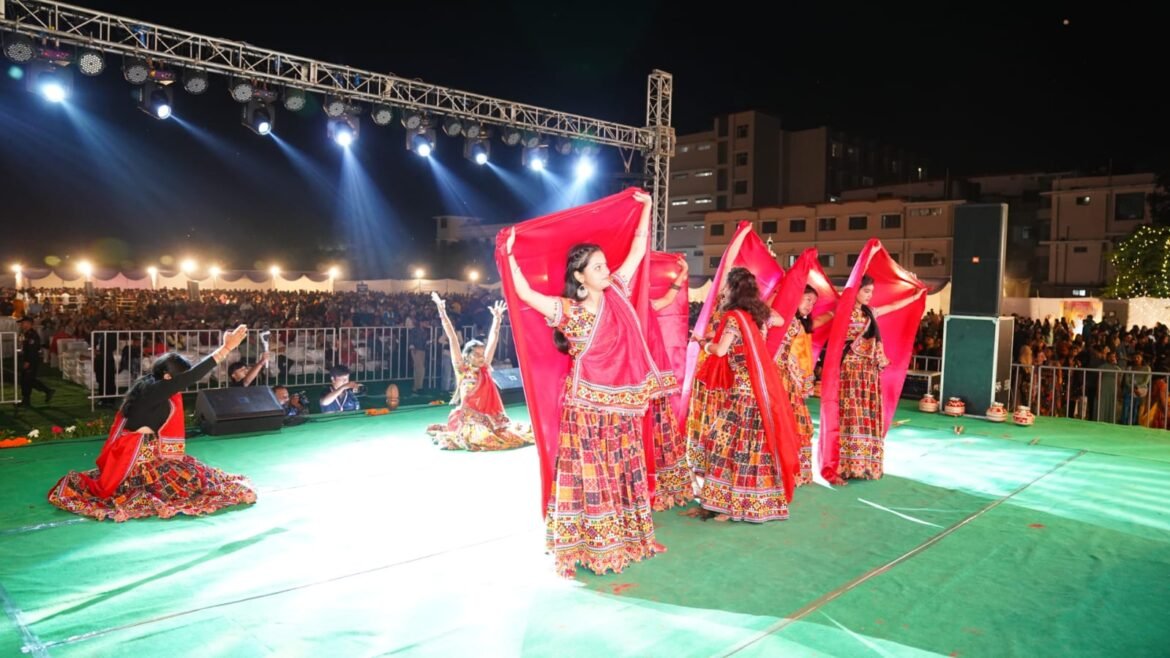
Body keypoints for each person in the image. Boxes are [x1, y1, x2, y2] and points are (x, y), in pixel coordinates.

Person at [506, 191, 673, 578]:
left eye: (605, 264)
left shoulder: (618, 292)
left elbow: (638, 250)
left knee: (622, 470)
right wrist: (509, 254)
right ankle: (593, 546)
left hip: (622, 408)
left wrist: (647, 208)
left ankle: (628, 538)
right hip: (586, 409)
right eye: (597, 267)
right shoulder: (569, 310)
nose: (606, 269)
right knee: (592, 475)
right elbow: (524, 293)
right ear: (580, 277)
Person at [46, 326, 257, 522]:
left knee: (196, 473)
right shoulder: (155, 389)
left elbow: (186, 378)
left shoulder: (153, 385)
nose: (181, 385)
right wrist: (225, 348)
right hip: (138, 457)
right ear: (167, 376)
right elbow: (192, 376)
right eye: (179, 379)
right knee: (188, 484)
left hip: (148, 450)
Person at [689, 268, 799, 522]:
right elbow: (780, 320)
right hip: (761, 392)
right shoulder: (757, 316)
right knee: (750, 447)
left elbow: (720, 351)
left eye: (727, 286)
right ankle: (746, 503)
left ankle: (730, 504)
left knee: (722, 442)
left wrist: (703, 343)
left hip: (743, 394)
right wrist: (760, 304)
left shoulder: (734, 318)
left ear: (732, 289)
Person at [831, 275, 925, 482]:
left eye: (871, 292)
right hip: (850, 371)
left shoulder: (869, 313)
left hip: (869, 372)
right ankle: (846, 464)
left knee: (866, 414)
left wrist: (914, 297)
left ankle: (865, 464)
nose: (869, 295)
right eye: (866, 291)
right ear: (855, 290)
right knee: (852, 414)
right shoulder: (842, 311)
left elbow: (892, 306)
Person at [426, 293, 535, 451]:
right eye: (476, 354)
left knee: (507, 436)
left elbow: (493, 340)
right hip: (469, 420)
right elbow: (452, 338)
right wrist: (442, 311)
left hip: (488, 417)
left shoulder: (485, 367)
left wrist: (497, 320)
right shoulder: (462, 369)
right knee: (484, 438)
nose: (481, 357)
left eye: (482, 354)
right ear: (467, 356)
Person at [774, 286, 833, 486]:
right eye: (807, 299)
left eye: (813, 303)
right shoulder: (784, 320)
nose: (810, 305)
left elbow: (819, 320)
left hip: (793, 384)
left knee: (798, 425)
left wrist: (836, 311)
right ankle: (784, 471)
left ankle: (793, 471)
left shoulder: (800, 323)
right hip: (781, 381)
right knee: (787, 424)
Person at [18, 316, 54, 407]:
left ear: (28, 323)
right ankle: (27, 400)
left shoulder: (32, 335)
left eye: (23, 323)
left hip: (31, 360)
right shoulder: (26, 334)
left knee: (27, 380)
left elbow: (32, 350)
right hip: (28, 359)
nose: (21, 324)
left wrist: (27, 361)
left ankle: (47, 391)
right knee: (26, 380)